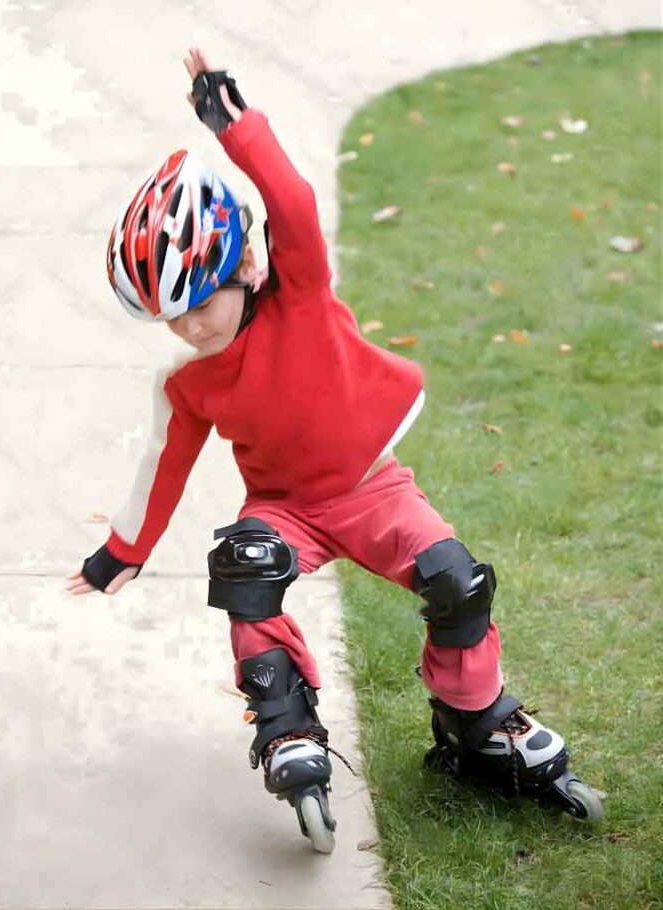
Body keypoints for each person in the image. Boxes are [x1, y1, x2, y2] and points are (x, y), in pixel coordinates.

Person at [67, 47, 603, 852]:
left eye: (198, 304)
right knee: (245, 569)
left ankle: (474, 725)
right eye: (169, 319)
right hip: (284, 510)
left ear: (241, 264)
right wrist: (122, 551)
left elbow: (290, 196)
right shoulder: (188, 384)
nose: (190, 328)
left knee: (456, 580)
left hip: (371, 489)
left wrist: (231, 122)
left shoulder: (302, 291)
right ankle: (287, 728)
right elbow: (164, 467)